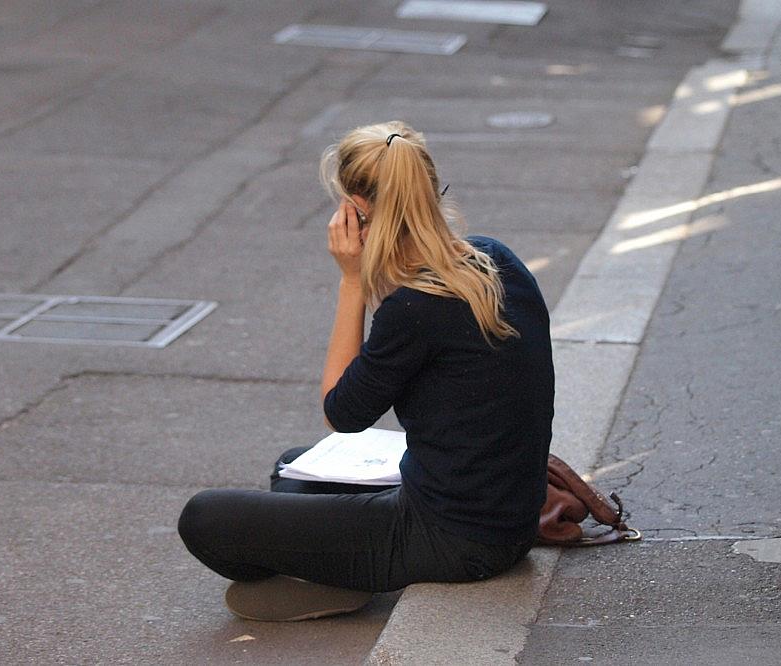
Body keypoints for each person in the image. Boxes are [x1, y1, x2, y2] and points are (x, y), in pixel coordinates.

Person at [177, 121, 554, 621]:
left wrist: (352, 282)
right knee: (293, 470)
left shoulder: (416, 307)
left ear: (357, 212)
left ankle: (333, 575)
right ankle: (334, 569)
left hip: (453, 540)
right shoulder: (494, 258)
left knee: (204, 518)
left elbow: (342, 412)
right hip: (508, 522)